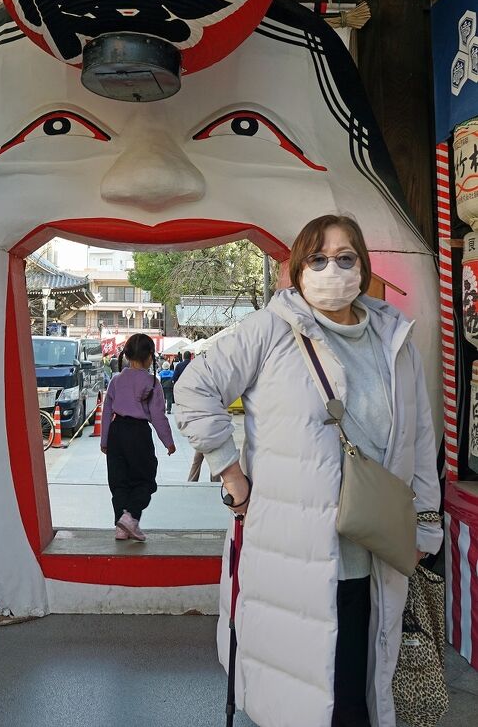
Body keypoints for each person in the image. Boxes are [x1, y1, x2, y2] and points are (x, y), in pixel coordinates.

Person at [174, 214, 442, 727]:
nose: (332, 269)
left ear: (364, 267)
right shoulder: (270, 329)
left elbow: (420, 437)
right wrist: (232, 475)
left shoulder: (393, 336)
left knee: (358, 691)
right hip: (294, 551)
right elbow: (193, 390)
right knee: (303, 694)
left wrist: (425, 523)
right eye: (317, 259)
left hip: (376, 548)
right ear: (297, 269)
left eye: (346, 258)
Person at [101, 333, 176, 541]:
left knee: (119, 482)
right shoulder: (152, 383)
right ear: (149, 356)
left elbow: (107, 411)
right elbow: (158, 416)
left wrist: (104, 439)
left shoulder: (116, 380)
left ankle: (121, 526)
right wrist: (168, 442)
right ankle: (131, 517)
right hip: (138, 434)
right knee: (145, 480)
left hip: (117, 433)